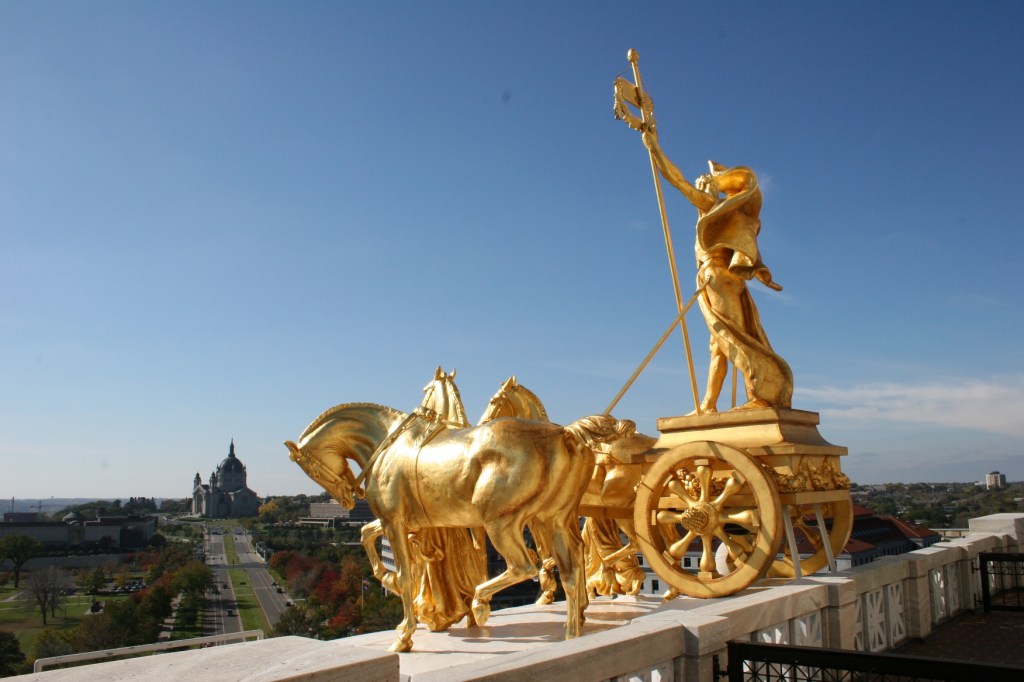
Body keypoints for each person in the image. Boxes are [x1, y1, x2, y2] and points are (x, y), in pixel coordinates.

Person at [642, 128, 793, 412]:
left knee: (735, 340)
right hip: (727, 280)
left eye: (703, 184)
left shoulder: (714, 206)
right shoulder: (731, 216)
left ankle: (760, 395)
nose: (699, 187)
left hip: (717, 277)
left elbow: (676, 181)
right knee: (719, 344)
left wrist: (655, 149)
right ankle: (709, 404)